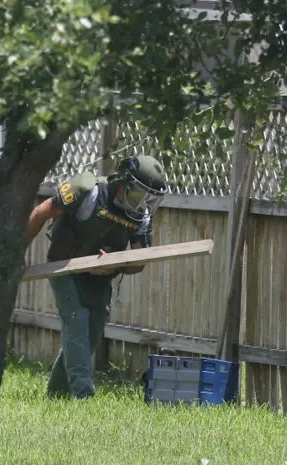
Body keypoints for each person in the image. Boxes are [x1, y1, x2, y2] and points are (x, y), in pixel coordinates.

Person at [27, 154, 168, 399]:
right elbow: (40, 213)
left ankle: (57, 396)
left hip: (100, 277)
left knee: (89, 334)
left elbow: (139, 263)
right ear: (123, 183)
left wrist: (116, 264)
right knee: (77, 319)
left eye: (150, 197)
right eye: (139, 194)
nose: (143, 202)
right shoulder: (87, 191)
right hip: (64, 266)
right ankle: (84, 396)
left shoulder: (142, 216)